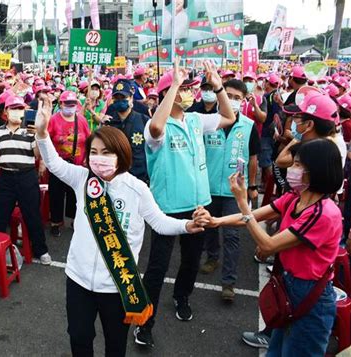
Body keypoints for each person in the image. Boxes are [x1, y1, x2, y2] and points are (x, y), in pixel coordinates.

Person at [33, 96, 208, 357]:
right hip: (78, 280)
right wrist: (42, 133)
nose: (98, 159)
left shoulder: (137, 189)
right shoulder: (83, 179)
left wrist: (186, 225)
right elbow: (55, 164)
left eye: (106, 152)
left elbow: (159, 222)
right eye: (93, 152)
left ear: (121, 154)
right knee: (79, 337)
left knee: (115, 344)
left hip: (117, 284)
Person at [199, 138, 343, 356]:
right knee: (275, 351)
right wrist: (216, 221)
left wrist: (241, 201)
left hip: (311, 295)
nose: (291, 169)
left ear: (315, 170)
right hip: (289, 284)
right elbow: (253, 217)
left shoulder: (323, 213)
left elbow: (268, 244)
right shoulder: (295, 198)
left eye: (297, 164)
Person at [135, 58, 235, 347]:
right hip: (167, 209)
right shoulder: (156, 126)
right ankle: (144, 322)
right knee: (157, 268)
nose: (191, 92)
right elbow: (155, 128)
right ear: (172, 94)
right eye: (185, 88)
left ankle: (182, 296)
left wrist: (218, 89)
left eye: (191, 87)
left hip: (199, 205)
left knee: (191, 261)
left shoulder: (194, 120)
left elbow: (228, 117)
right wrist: (173, 84)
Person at [200, 80, 261, 302]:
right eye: (229, 95)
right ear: (220, 95)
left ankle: (229, 282)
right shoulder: (206, 123)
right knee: (208, 226)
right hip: (207, 187)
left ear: (243, 101)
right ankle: (213, 257)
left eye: (237, 97)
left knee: (233, 235)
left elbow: (253, 158)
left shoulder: (249, 126)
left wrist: (252, 186)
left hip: (234, 191)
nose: (232, 100)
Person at [0, 96, 51, 265]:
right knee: (0, 216)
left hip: (27, 176)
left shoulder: (30, 132)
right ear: (6, 112)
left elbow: (38, 155)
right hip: (6, 178)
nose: (16, 112)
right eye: (13, 108)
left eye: (19, 108)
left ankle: (41, 249)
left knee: (33, 215)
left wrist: (37, 135)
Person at [45, 90, 91, 237]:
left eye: (73, 104)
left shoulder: (81, 120)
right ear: (61, 104)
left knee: (74, 194)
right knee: (56, 195)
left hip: (77, 165)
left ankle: (73, 220)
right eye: (67, 104)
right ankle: (56, 222)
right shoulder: (53, 120)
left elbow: (89, 140)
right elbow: (45, 140)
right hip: (58, 165)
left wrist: (87, 158)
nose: (70, 107)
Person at [106, 79, 151, 183]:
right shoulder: (109, 123)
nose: (120, 100)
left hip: (140, 179)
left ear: (131, 98)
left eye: (123, 97)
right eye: (116, 98)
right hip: (115, 178)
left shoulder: (144, 121)